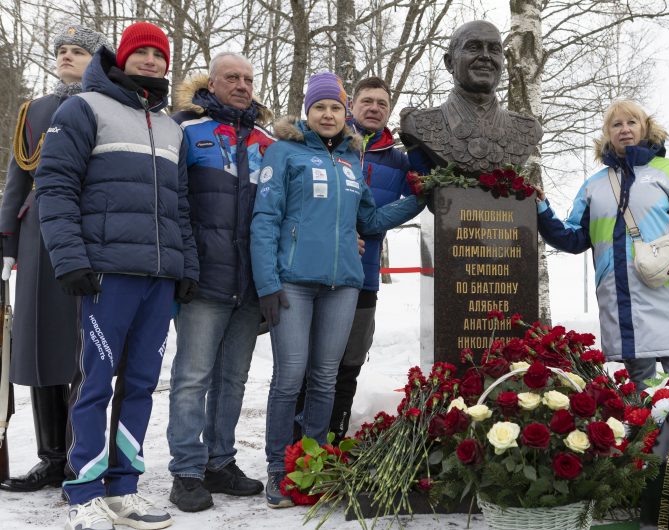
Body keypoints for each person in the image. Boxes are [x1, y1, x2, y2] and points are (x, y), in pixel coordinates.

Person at [35, 21, 198, 530]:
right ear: (120, 57)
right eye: (141, 52)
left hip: (159, 277)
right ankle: (82, 489)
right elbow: (54, 186)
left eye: (159, 54)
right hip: (105, 274)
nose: (150, 61)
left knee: (143, 385)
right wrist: (71, 259)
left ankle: (123, 488)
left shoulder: (172, 127)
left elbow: (181, 206)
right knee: (95, 383)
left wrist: (186, 266)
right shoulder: (82, 109)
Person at [250, 71, 424, 509]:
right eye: (320, 107)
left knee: (326, 377)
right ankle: (278, 467)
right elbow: (265, 220)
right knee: (290, 377)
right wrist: (267, 284)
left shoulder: (350, 158)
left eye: (334, 107)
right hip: (293, 284)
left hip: (343, 284)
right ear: (308, 112)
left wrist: (422, 197)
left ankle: (314, 461)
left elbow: (370, 220)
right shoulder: (285, 152)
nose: (328, 114)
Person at [536, 99, 669, 389]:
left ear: (645, 127)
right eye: (616, 124)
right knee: (640, 399)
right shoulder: (593, 186)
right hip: (620, 303)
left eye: (632, 122)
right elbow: (573, 238)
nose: (625, 129)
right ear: (607, 133)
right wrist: (542, 210)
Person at [0, 24, 108, 493]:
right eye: (61, 51)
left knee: (86, 349)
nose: (66, 56)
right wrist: (6, 243)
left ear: (98, 59)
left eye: (78, 51)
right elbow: (16, 183)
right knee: (40, 345)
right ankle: (51, 457)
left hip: (92, 232)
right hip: (37, 238)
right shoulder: (36, 110)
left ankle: (82, 456)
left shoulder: (108, 105)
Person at [165, 52, 274, 513]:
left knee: (233, 379)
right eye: (232, 77)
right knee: (192, 378)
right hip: (203, 279)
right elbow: (172, 204)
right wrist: (185, 265)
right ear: (211, 82)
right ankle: (187, 471)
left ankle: (220, 461)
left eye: (249, 78)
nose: (242, 85)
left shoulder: (268, 141)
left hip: (249, 284)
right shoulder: (186, 130)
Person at [294, 76, 411, 443]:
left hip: (363, 278)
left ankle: (334, 439)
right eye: (367, 101)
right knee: (308, 367)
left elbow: (424, 193)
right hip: (314, 275)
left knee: (348, 365)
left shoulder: (399, 161)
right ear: (351, 106)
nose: (375, 108)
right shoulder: (329, 147)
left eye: (382, 103)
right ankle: (295, 445)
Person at [400, 20, 542, 176]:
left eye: (494, 49)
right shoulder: (418, 123)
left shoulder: (528, 130)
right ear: (449, 62)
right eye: (473, 48)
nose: (486, 56)